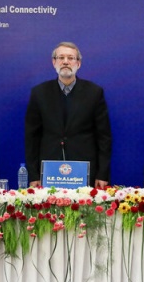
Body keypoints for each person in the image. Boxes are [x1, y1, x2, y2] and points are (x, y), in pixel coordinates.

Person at [25, 42, 112, 188]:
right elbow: (31, 138)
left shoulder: (94, 92)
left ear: (78, 63)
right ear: (54, 62)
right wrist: (34, 174)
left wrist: (102, 173)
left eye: (71, 58)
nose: (65, 62)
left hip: (84, 172)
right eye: (61, 57)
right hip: (49, 172)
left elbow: (104, 137)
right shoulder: (39, 93)